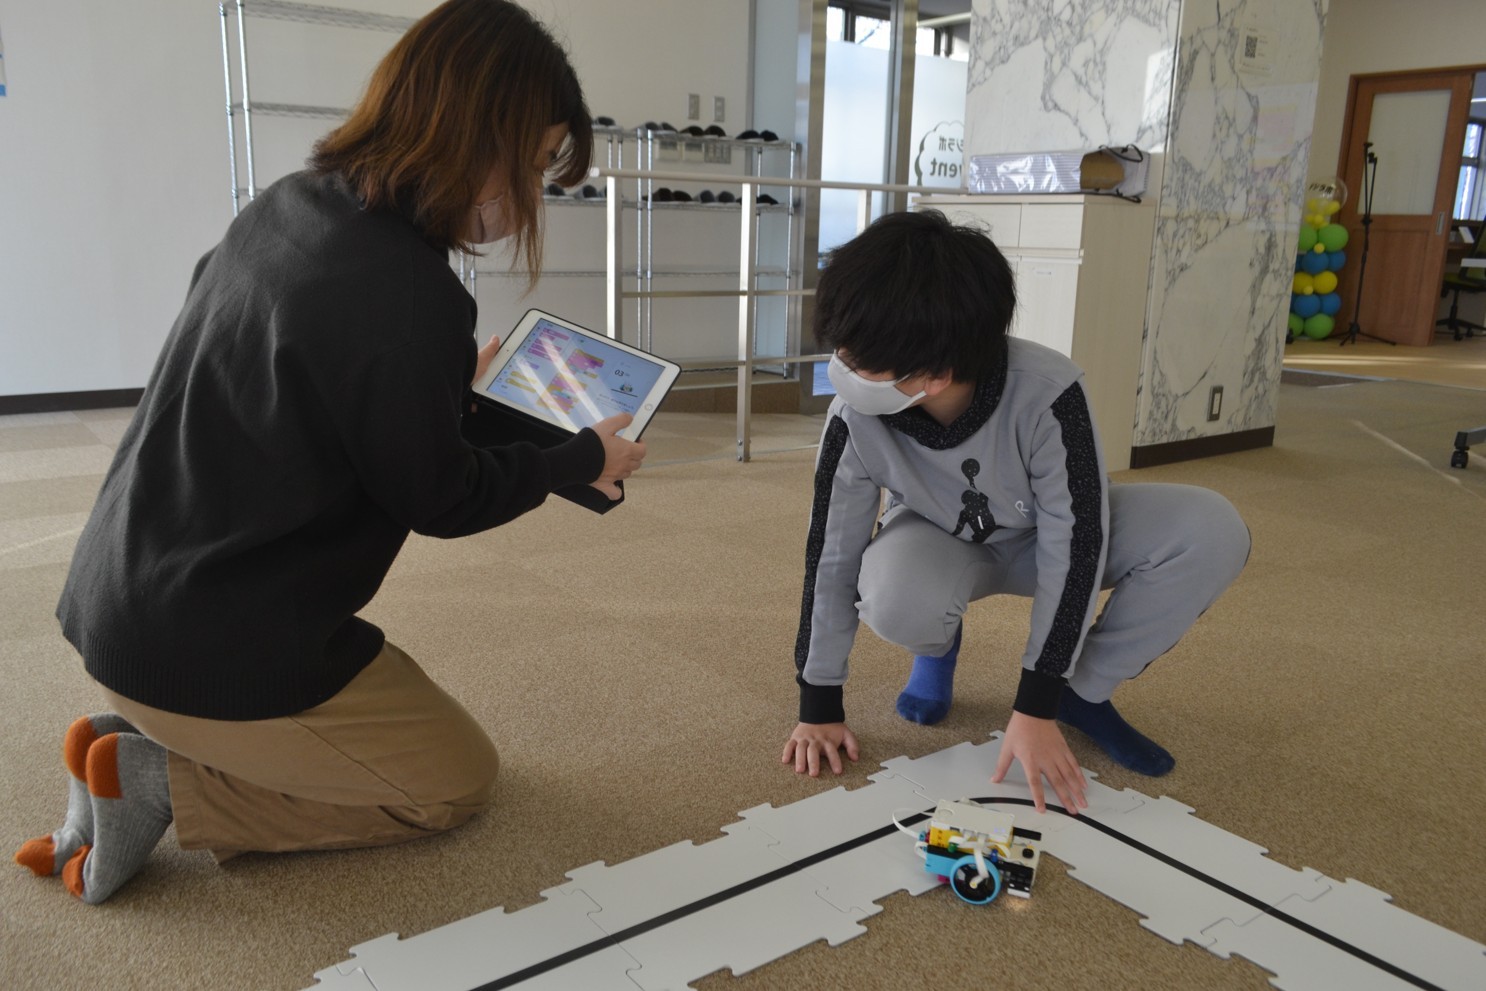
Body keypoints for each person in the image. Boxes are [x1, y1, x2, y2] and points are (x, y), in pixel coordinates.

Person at [14, 0, 644, 905]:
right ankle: (158, 779)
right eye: (537, 163)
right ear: (477, 137)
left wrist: (436, 383)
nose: (534, 196)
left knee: (394, 699)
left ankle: (127, 745)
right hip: (205, 644)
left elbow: (303, 380)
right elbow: (443, 497)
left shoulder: (288, 205)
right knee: (454, 780)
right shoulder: (412, 292)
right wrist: (575, 462)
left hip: (120, 600)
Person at [781, 210, 1250, 814]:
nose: (841, 368)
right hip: (938, 540)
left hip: (1045, 536)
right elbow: (831, 553)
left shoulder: (1049, 392)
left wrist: (1037, 703)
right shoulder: (855, 416)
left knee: (1210, 529)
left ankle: (1083, 693)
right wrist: (819, 701)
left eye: (858, 359)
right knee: (896, 595)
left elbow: (1075, 544)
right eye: (841, 349)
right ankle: (937, 646)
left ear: (936, 374)